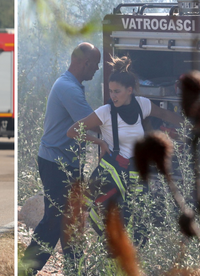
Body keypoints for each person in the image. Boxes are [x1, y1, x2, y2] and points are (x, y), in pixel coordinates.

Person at [67, 55, 183, 241]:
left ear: (130, 90)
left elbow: (165, 114)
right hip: (114, 172)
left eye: (117, 91)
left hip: (136, 174)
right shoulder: (105, 112)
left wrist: (190, 125)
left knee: (139, 227)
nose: (112, 96)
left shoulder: (142, 104)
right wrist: (101, 142)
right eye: (111, 91)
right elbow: (72, 132)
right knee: (111, 227)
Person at [19, 42, 101, 275]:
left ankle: (74, 271)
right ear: (85, 63)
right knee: (54, 221)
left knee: (72, 222)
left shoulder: (70, 84)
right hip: (57, 164)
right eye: (95, 64)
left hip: (64, 163)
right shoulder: (69, 88)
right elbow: (90, 122)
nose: (96, 69)